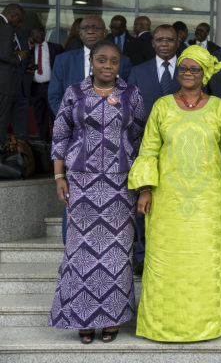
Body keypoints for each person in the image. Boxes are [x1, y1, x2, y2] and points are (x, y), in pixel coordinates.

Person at [128, 45, 221, 342]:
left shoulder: (219, 108)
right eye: (183, 69)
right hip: (168, 202)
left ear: (204, 75)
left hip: (208, 202)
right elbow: (149, 148)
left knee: (207, 262)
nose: (188, 73)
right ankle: (162, 325)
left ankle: (208, 323)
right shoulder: (162, 106)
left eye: (194, 69)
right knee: (166, 262)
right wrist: (145, 188)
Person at [48, 40, 145, 344]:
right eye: (101, 60)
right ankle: (83, 318)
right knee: (82, 254)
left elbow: (142, 138)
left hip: (119, 185)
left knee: (115, 255)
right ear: (91, 61)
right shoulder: (74, 93)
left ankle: (113, 317)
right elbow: (61, 133)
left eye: (113, 61)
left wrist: (142, 183)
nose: (107, 65)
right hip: (81, 181)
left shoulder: (132, 94)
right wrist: (59, 176)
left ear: (119, 65)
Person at [126, 24, 181, 275]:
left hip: (181, 150)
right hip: (145, 148)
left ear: (178, 42)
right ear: (153, 43)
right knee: (143, 205)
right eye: (160, 40)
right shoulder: (138, 72)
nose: (165, 44)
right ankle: (141, 254)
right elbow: (130, 110)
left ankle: (172, 252)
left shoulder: (190, 69)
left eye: (170, 40)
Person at [49, 15, 132, 116]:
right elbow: (54, 96)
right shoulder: (63, 60)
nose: (90, 31)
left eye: (95, 28)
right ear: (80, 33)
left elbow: (127, 96)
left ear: (105, 33)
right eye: (85, 28)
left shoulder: (123, 62)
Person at [29, 26, 64, 141]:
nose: (35, 36)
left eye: (37, 33)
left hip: (51, 86)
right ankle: (44, 142)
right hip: (36, 87)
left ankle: (58, 141)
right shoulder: (29, 49)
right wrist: (29, 47)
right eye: (33, 34)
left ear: (43, 33)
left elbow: (63, 68)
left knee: (55, 114)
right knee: (40, 117)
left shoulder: (56, 48)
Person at [0, 4, 29, 145]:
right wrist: (19, 57)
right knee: (2, 119)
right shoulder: (6, 27)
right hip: (4, 83)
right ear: (14, 16)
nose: (20, 24)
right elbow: (4, 54)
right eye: (20, 20)